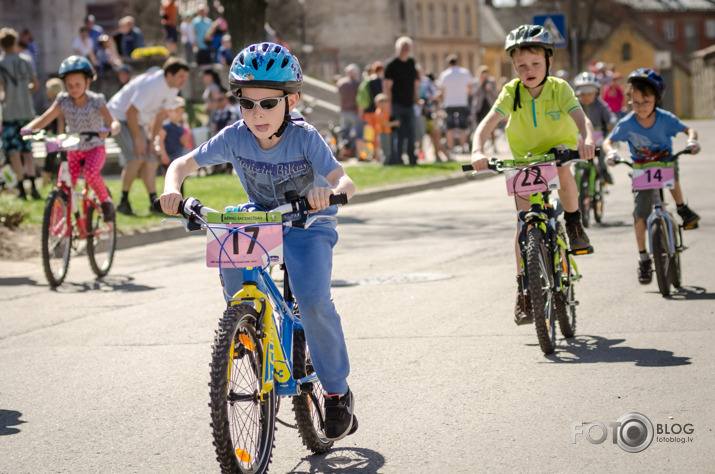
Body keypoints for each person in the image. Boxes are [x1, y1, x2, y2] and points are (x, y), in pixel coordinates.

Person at [159, 42, 358, 441]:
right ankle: (245, 325)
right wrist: (171, 188)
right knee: (227, 239)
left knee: (314, 302)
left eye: (268, 104)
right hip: (261, 215)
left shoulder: (305, 137)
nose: (257, 114)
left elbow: (344, 181)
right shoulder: (236, 136)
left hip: (308, 221)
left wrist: (329, 193)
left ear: (292, 100)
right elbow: (182, 163)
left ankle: (337, 393)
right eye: (247, 104)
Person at [470, 24, 595, 325]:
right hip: (524, 159)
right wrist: (477, 150)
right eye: (522, 65)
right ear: (514, 66)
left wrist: (588, 141)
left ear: (549, 63)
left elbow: (582, 120)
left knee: (563, 169)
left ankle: (575, 225)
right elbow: (486, 125)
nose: (529, 70)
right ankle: (525, 290)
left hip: (558, 150)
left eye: (536, 64)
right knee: (523, 226)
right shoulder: (510, 92)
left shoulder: (560, 89)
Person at [602, 68, 701, 285]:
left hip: (663, 161)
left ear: (656, 98)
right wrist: (611, 152)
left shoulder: (666, 119)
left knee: (670, 171)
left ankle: (682, 207)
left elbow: (689, 130)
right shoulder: (627, 122)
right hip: (641, 168)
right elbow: (608, 140)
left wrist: (692, 141)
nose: (640, 107)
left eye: (646, 101)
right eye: (635, 103)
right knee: (640, 214)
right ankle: (644, 257)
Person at [21, 56, 121, 222]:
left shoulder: (96, 101)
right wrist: (29, 128)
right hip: (73, 149)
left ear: (87, 83)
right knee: (64, 186)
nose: (73, 89)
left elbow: (114, 122)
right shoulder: (63, 100)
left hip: (94, 147)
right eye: (69, 85)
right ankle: (60, 226)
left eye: (77, 85)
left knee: (90, 173)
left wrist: (110, 131)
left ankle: (105, 201)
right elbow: (46, 117)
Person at [108, 56, 190, 215]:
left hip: (138, 121)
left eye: (185, 77)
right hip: (119, 117)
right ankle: (123, 202)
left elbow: (160, 116)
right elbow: (130, 111)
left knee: (150, 158)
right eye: (180, 77)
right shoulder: (152, 85)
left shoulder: (173, 89)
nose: (183, 81)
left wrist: (151, 142)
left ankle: (153, 202)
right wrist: (139, 139)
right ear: (169, 75)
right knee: (137, 156)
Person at [0, 27, 41, 200]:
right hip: (27, 112)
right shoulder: (26, 60)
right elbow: (35, 85)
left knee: (13, 152)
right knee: (28, 151)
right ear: (15, 42)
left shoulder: (1, 63)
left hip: (10, 112)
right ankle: (33, 185)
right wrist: (24, 92)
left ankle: (21, 188)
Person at [573, 71, 616, 184]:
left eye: (589, 94)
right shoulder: (575, 105)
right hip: (579, 137)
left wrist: (611, 122)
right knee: (575, 157)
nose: (586, 97)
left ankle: (604, 171)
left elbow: (610, 115)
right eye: (583, 94)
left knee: (601, 152)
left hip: (598, 136)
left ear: (595, 93)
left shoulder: (600, 104)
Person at [383, 36, 420, 166]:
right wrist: (389, 106)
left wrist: (416, 99)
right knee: (398, 133)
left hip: (409, 104)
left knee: (411, 133)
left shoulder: (411, 63)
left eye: (407, 48)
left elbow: (415, 83)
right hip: (396, 104)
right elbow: (387, 87)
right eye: (402, 47)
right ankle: (397, 159)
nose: (405, 50)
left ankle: (412, 158)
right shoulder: (391, 65)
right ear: (398, 48)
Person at [438, 55, 473, 155]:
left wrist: (443, 101)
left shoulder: (444, 74)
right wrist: (466, 96)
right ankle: (463, 147)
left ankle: (451, 148)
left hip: (449, 103)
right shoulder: (465, 72)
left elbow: (442, 91)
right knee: (463, 126)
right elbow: (470, 88)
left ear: (449, 63)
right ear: (457, 62)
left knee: (450, 127)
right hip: (462, 102)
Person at [158, 96, 189, 189]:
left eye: (181, 112)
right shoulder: (166, 125)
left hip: (177, 157)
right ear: (169, 112)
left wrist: (184, 141)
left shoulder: (180, 127)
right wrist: (163, 154)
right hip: (168, 157)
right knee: (170, 180)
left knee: (180, 180)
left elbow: (184, 143)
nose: (179, 114)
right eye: (176, 112)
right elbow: (161, 140)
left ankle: (180, 200)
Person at [40, 78, 66, 185]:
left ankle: (46, 181)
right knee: (53, 159)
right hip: (54, 136)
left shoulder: (58, 103)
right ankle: (46, 181)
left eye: (48, 89)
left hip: (58, 137)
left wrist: (59, 138)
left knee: (53, 159)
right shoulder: (54, 102)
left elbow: (60, 121)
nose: (46, 92)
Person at [336, 64, 365, 159]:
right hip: (355, 111)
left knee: (344, 133)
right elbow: (360, 99)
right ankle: (359, 155)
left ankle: (343, 153)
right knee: (359, 134)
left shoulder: (341, 83)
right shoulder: (358, 84)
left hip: (344, 111)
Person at [472, 65, 499, 153]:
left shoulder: (491, 82)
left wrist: (490, 89)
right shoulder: (476, 82)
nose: (484, 75)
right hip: (480, 107)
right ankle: (481, 148)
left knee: (492, 127)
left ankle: (494, 146)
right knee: (480, 128)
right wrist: (481, 84)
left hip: (489, 106)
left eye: (486, 73)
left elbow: (496, 94)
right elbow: (474, 94)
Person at [373, 93, 399, 164]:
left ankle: (388, 162)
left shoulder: (385, 111)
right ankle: (385, 163)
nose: (383, 105)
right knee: (385, 149)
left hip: (387, 132)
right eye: (381, 103)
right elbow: (384, 124)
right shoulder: (379, 112)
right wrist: (395, 123)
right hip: (383, 132)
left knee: (388, 148)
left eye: (384, 103)